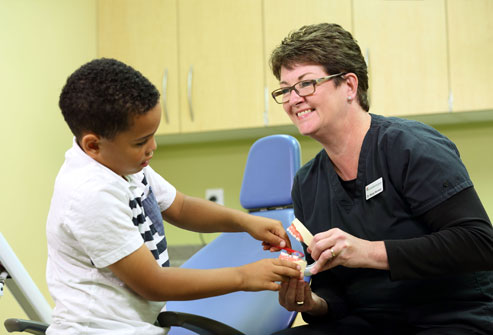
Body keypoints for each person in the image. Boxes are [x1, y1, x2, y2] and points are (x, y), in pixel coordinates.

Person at [45, 58, 301, 334]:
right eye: (140, 142)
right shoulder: (89, 193)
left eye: (153, 136)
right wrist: (243, 276)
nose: (152, 148)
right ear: (93, 145)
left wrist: (244, 223)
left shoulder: (125, 166)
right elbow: (153, 284)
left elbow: (180, 207)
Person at [269, 23, 493, 335]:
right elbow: (335, 296)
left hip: (452, 316)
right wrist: (312, 302)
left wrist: (367, 252)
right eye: (285, 90)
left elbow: (479, 243)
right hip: (369, 323)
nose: (294, 99)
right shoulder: (307, 183)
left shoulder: (409, 147)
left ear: (349, 85)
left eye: (306, 84)